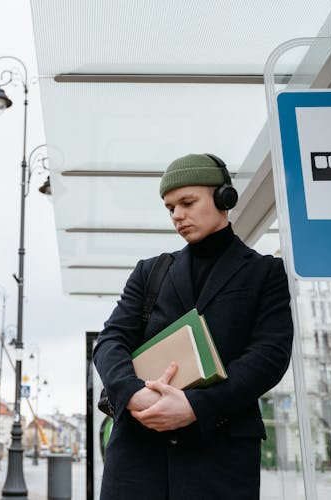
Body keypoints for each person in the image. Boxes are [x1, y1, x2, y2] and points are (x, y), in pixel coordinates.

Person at [93, 153, 294, 499]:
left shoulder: (264, 273)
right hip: (137, 461)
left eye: (187, 202)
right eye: (170, 208)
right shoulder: (149, 271)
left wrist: (196, 408)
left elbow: (269, 356)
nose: (177, 216)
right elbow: (110, 341)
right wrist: (133, 392)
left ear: (223, 199)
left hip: (220, 461)